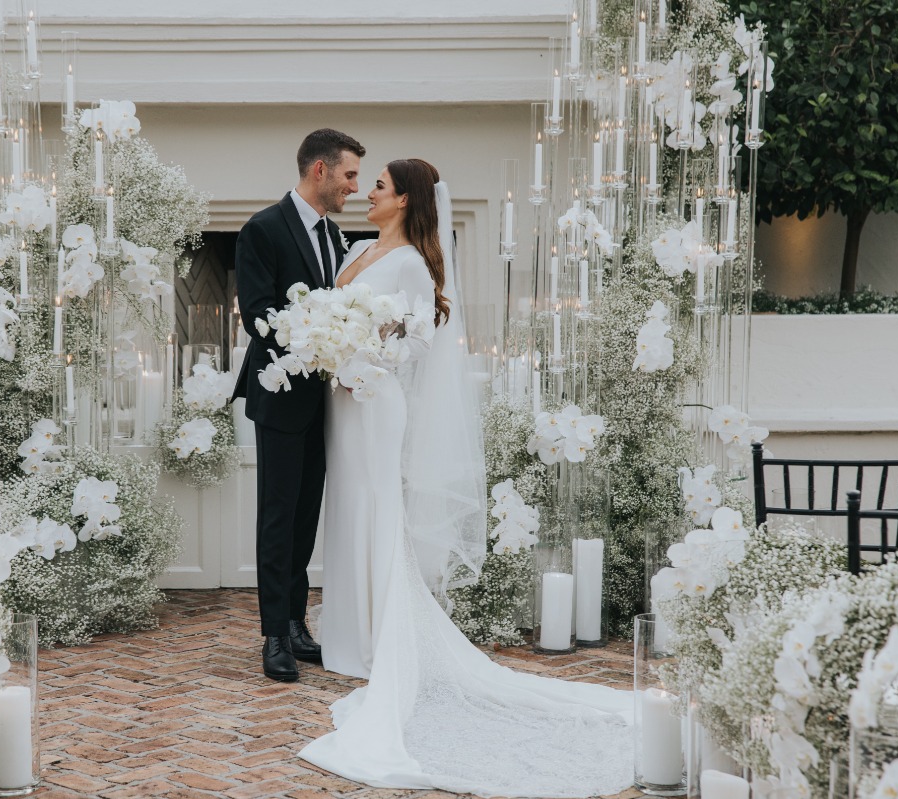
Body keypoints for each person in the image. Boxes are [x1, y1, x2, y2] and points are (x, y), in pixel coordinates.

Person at [299, 159, 635, 797]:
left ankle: (376, 640)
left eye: (380, 186)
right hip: (341, 403)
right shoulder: (362, 250)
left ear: (404, 200)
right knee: (346, 505)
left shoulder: (413, 265)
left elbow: (421, 335)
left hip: (374, 401)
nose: (368, 192)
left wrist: (367, 356)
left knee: (376, 505)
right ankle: (347, 634)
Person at [232, 128, 364, 683]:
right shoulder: (262, 229)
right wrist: (312, 338)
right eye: (350, 175)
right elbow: (258, 314)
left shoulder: (335, 237)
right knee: (278, 518)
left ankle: (296, 621)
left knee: (306, 516)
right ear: (320, 172)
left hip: (323, 403)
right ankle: (272, 637)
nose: (354, 186)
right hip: (281, 396)